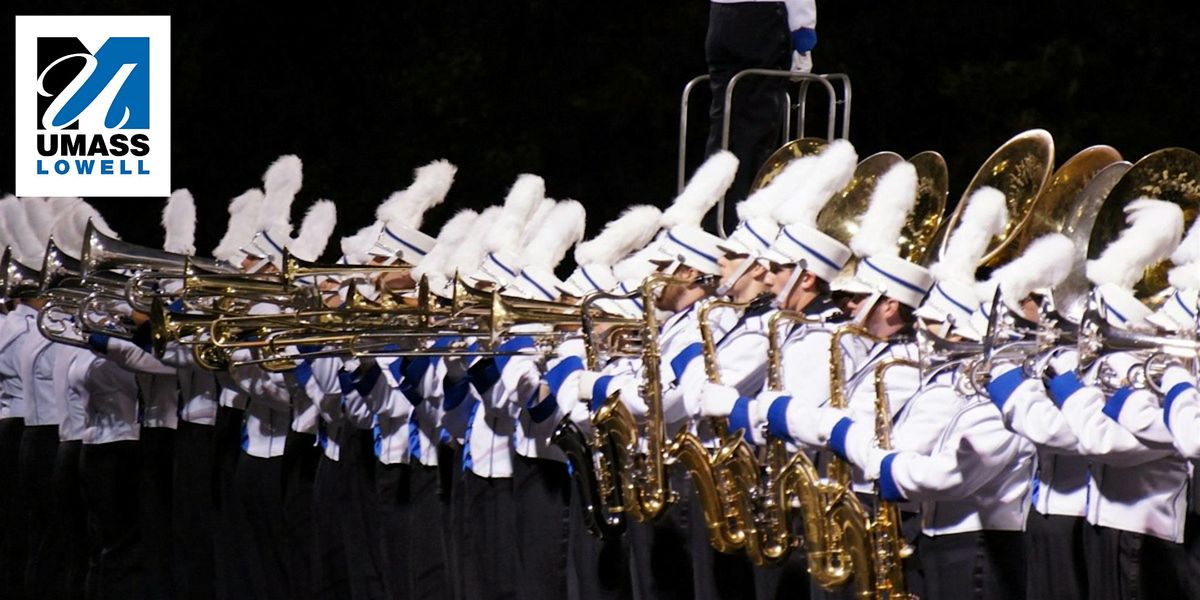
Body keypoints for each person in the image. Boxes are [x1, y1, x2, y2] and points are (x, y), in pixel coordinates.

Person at [705, 0, 818, 232]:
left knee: (724, 127)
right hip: (759, 18)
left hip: (719, 17)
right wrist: (803, 42)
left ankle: (712, 224)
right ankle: (742, 228)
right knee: (757, 130)